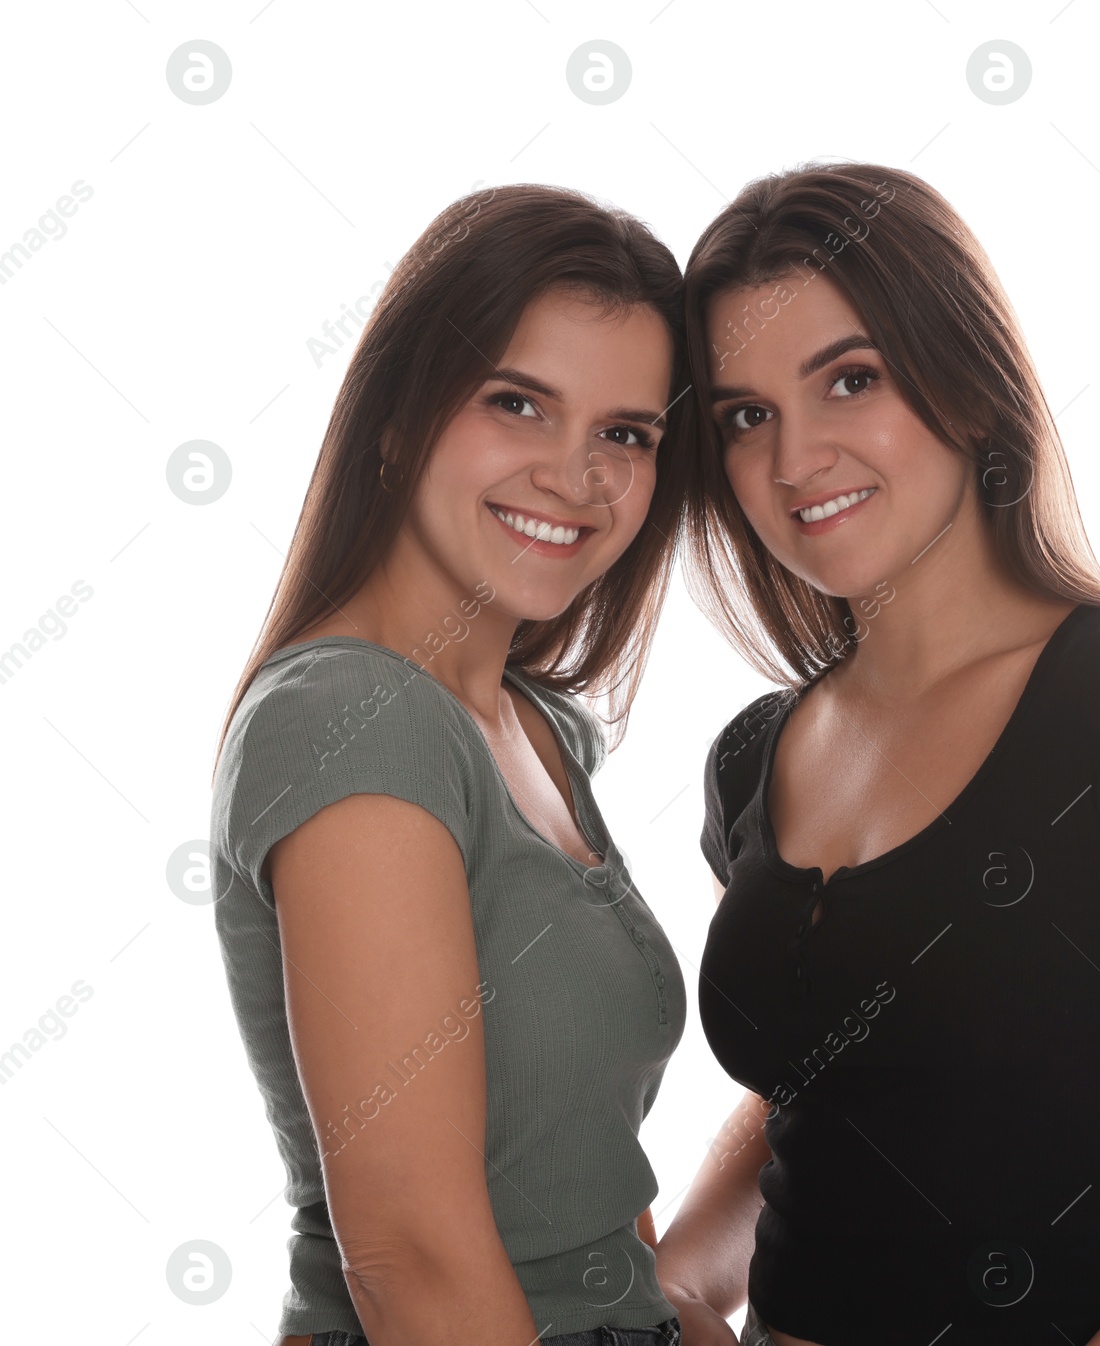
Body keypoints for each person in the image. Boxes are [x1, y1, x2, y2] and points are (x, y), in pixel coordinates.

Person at [653, 163, 1100, 1346]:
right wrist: (687, 1272)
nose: (795, 462)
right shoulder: (754, 754)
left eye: (850, 379)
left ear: (968, 383)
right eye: (747, 415)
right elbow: (825, 1079)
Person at [210, 183, 690, 1346]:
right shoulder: (353, 717)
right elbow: (412, 1259)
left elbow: (583, 1185)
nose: (576, 476)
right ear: (396, 416)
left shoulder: (535, 725)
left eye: (624, 433)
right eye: (518, 403)